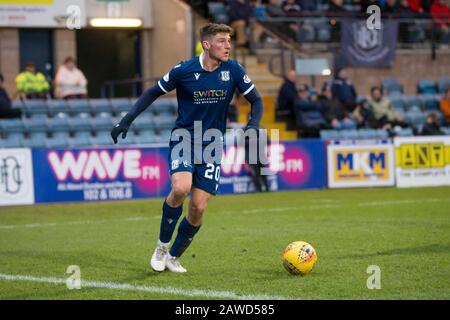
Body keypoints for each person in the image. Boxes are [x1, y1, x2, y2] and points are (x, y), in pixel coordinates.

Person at [110, 23, 263, 273]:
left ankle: (173, 256)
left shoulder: (233, 69)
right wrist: (126, 120)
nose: (228, 46)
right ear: (206, 44)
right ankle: (161, 245)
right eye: (222, 41)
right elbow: (152, 92)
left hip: (213, 142)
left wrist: (254, 124)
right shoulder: (184, 70)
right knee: (180, 188)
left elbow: (256, 100)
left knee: (199, 207)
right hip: (185, 137)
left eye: (229, 41)